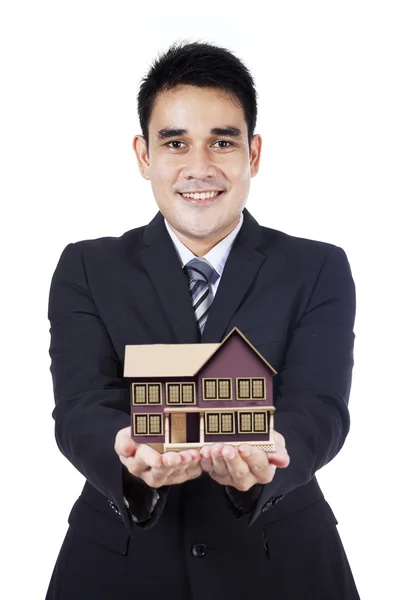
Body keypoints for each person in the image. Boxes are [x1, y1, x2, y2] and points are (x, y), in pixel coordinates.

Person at [45, 40, 360, 599]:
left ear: (253, 153)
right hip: (119, 566)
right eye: (175, 143)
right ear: (144, 156)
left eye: (222, 141)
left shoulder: (317, 267)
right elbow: (78, 406)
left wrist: (273, 455)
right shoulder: (86, 267)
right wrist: (125, 456)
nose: (199, 167)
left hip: (281, 564)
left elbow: (321, 406)